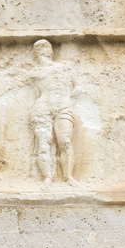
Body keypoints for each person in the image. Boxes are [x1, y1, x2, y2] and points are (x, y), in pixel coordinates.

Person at [29, 39, 78, 183]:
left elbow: (78, 87)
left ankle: (68, 176)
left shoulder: (65, 68)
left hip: (63, 106)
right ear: (36, 54)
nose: (45, 49)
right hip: (42, 108)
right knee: (44, 144)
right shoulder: (34, 72)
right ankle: (47, 178)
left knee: (65, 142)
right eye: (40, 48)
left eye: (47, 47)